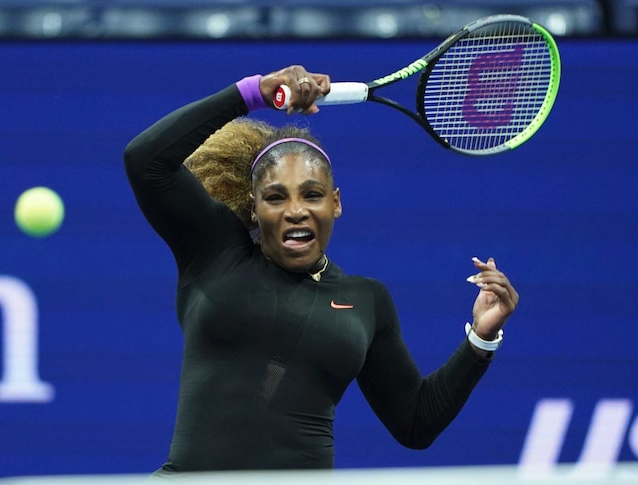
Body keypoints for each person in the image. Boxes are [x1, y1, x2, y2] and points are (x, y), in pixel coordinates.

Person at [123, 65, 519, 474]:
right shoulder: (215, 252)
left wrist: (481, 340)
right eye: (276, 198)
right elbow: (145, 160)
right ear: (254, 208)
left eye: (312, 195)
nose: (295, 211)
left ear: (336, 203)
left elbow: (415, 424)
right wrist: (254, 92)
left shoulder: (366, 300)